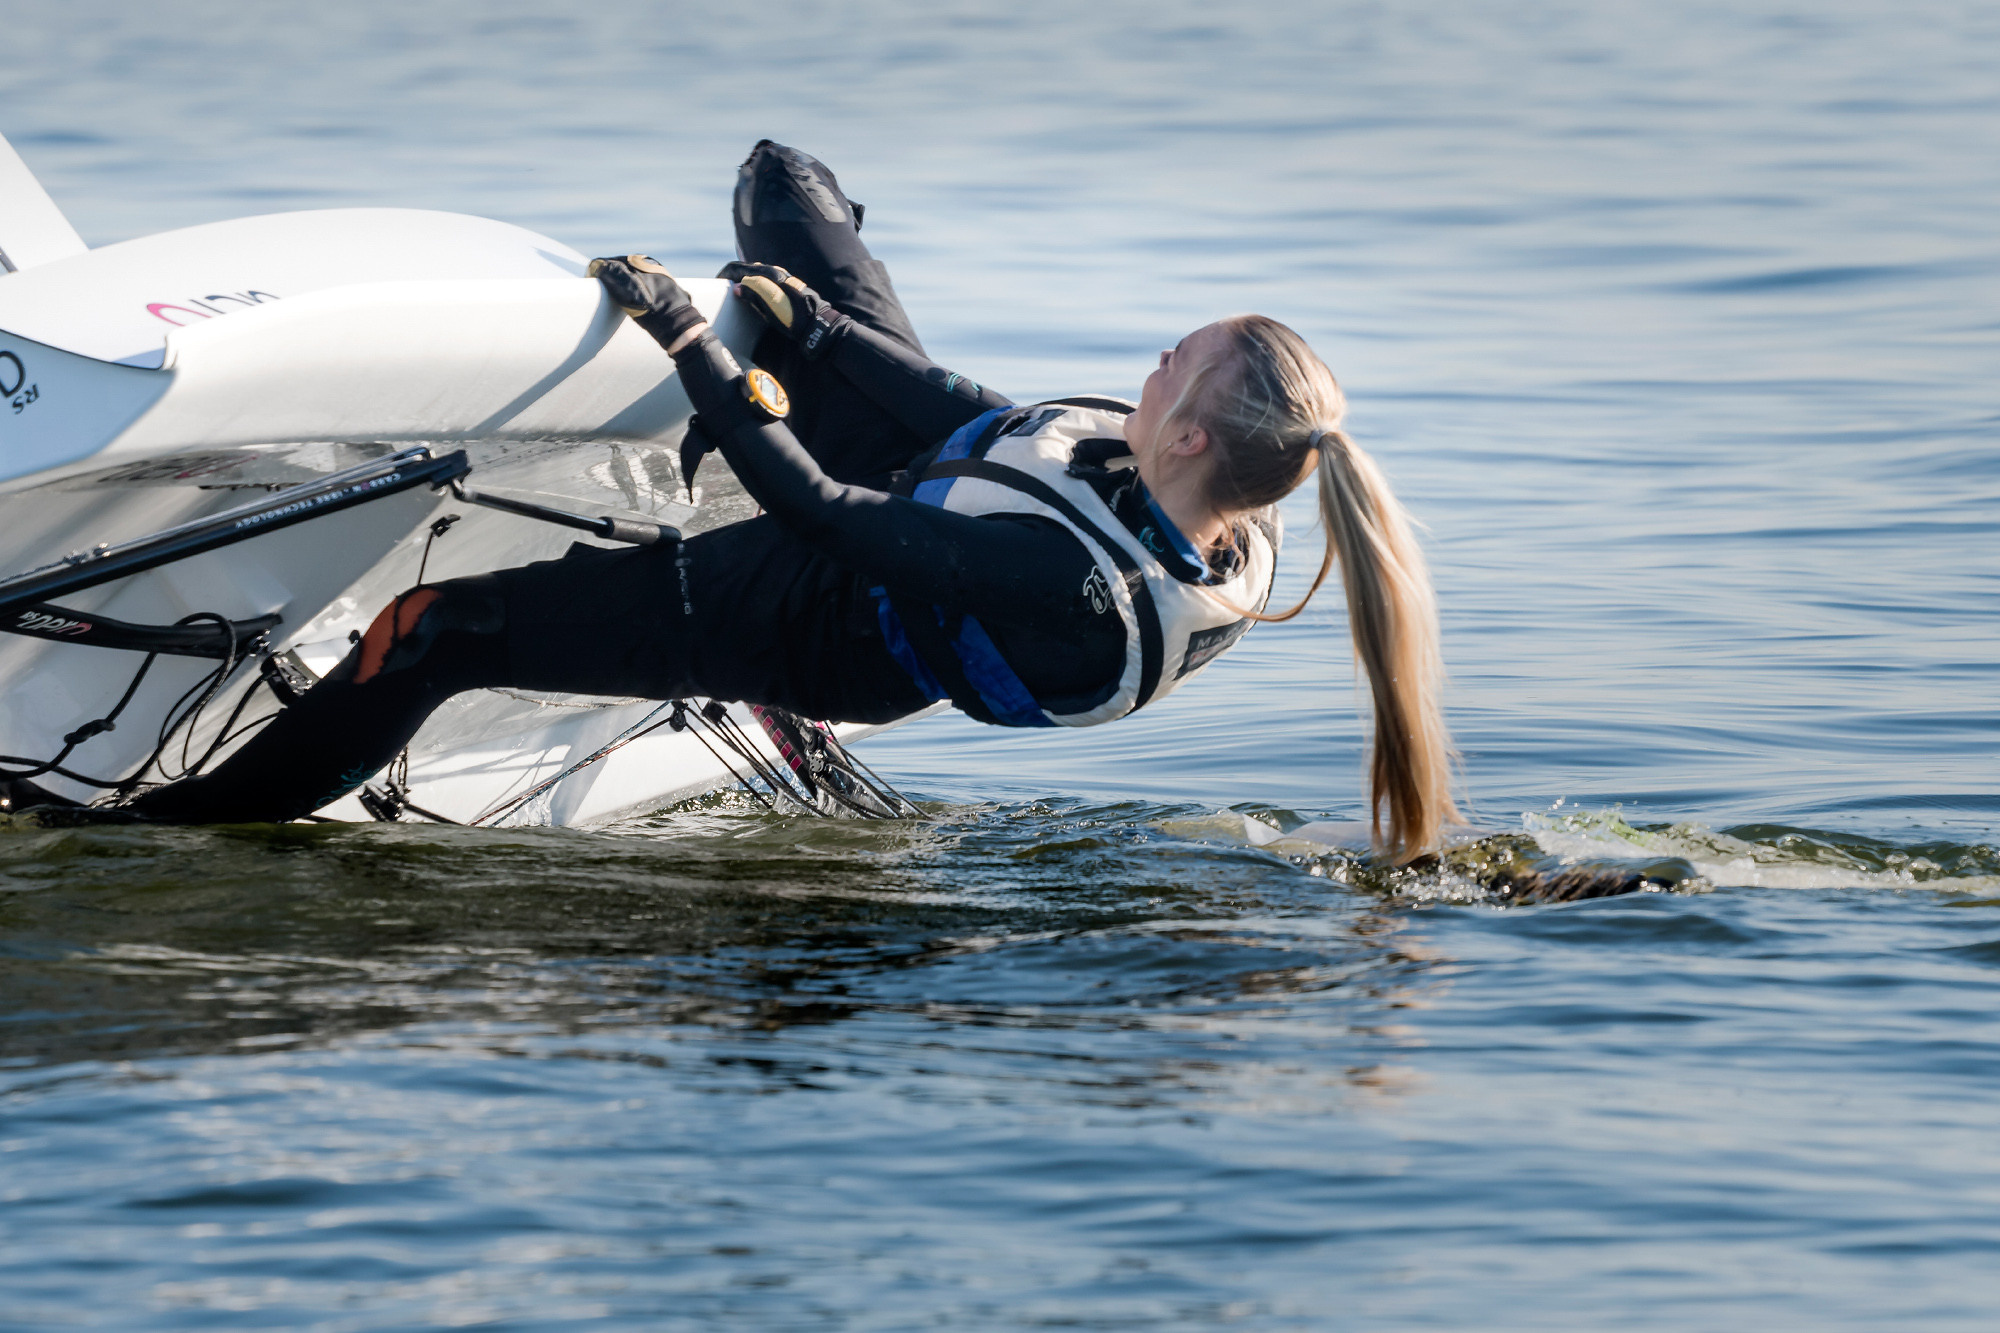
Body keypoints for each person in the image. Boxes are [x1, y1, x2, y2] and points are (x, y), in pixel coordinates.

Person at [128, 142, 1458, 862]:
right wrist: (810, 328)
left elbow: (823, 513)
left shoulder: (1079, 589)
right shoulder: (1207, 471)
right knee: (786, 187)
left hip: (830, 624)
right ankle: (762, 350)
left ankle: (179, 839)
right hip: (918, 515)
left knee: (437, 630)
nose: (1161, 346)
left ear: (1184, 429)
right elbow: (970, 419)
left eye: (1186, 352)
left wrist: (690, 345)